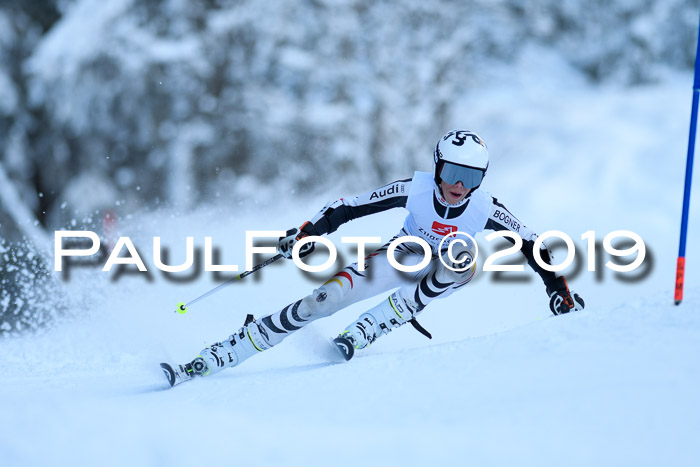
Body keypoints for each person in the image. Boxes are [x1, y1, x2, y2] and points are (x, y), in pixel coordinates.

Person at [161, 129, 584, 386]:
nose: (459, 185)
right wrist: (306, 233)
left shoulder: (484, 206)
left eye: (470, 177)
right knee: (319, 302)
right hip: (402, 256)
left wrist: (558, 291)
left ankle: (388, 316)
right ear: (437, 168)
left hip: (452, 268)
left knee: (461, 252)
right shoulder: (414, 188)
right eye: (452, 174)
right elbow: (348, 206)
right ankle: (222, 354)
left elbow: (532, 243)